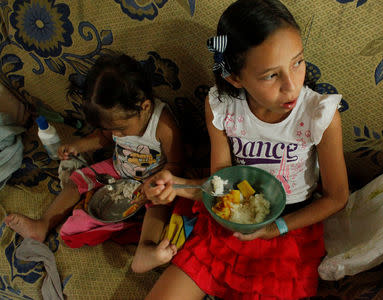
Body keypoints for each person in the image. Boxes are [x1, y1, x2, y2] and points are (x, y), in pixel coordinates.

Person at [141, 0, 350, 299]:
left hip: (289, 228)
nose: (291, 86)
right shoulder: (223, 107)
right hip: (232, 218)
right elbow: (220, 183)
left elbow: (338, 196)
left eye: (297, 62)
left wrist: (276, 228)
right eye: (270, 75)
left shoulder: (320, 115)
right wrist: (178, 186)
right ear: (235, 77)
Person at [5, 52, 184, 273]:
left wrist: (157, 184)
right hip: (117, 168)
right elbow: (105, 137)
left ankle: (145, 248)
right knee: (76, 179)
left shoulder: (163, 125)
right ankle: (43, 223)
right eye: (111, 128)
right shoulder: (117, 122)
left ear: (144, 107)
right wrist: (77, 147)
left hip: (152, 180)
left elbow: (176, 165)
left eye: (120, 128)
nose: (116, 133)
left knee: (157, 206)